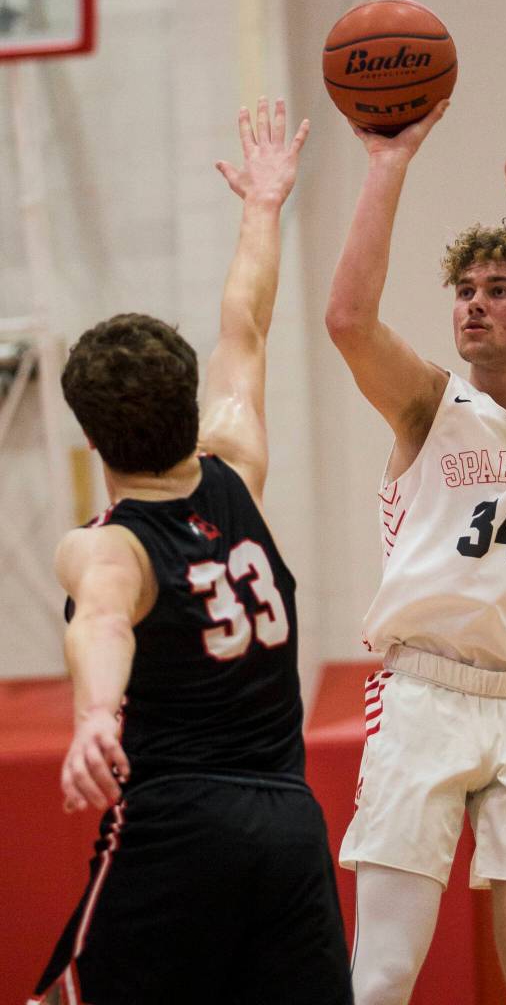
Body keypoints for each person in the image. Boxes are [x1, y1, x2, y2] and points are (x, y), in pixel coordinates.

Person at [29, 100, 353, 1005]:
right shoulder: (237, 467)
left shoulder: (111, 547)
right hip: (291, 829)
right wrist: (263, 206)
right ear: (189, 402)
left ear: (93, 440)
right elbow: (244, 325)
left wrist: (96, 717)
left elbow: (101, 620)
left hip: (176, 827)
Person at [325, 75, 506, 1005]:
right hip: (424, 695)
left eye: (500, 290)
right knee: (380, 980)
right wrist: (388, 163)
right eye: (464, 291)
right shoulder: (427, 404)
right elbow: (346, 321)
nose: (475, 306)